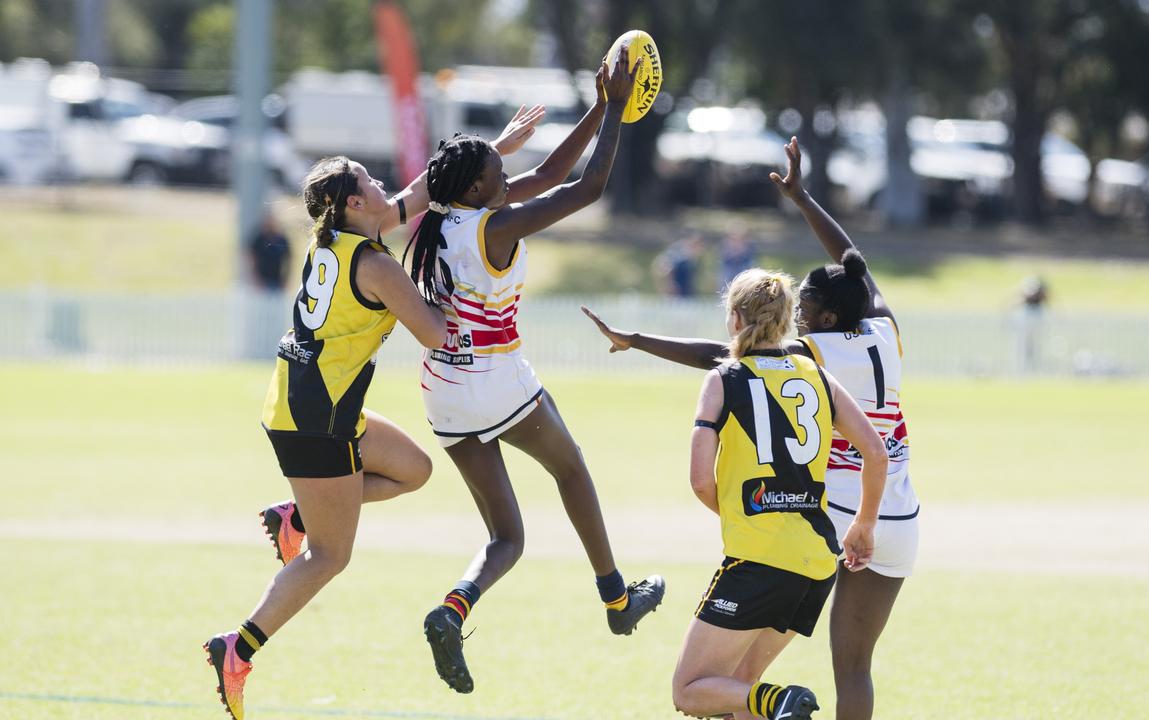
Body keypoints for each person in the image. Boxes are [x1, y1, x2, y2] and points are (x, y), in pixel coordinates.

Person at [204, 109, 544, 720]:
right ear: (355, 201)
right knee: (331, 557)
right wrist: (456, 290)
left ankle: (297, 516)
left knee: (414, 469)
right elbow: (438, 334)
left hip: (310, 403)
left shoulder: (334, 238)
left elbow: (423, 192)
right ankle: (239, 646)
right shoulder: (379, 264)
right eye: (370, 178)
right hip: (317, 419)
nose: (384, 183)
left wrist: (496, 148)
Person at [582, 137, 918, 720]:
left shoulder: (812, 353)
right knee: (853, 669)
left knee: (722, 682)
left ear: (826, 320)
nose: (799, 321)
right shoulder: (884, 331)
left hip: (829, 511)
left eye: (806, 313)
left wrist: (637, 341)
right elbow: (855, 264)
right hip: (900, 515)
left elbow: (725, 356)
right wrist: (803, 197)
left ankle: (771, 702)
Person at [402, 45, 664, 695]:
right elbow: (588, 187)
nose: (506, 166)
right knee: (570, 468)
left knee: (506, 537)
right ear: (478, 187)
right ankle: (614, 599)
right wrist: (619, 120)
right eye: (497, 165)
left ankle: (452, 607)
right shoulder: (498, 226)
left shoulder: (449, 214)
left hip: (444, 389)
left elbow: (548, 171)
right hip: (495, 378)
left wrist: (602, 105)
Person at [669, 268, 889, 720]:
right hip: (815, 560)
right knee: (734, 694)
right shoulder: (817, 377)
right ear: (788, 319)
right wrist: (864, 524)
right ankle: (771, 702)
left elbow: (700, 480)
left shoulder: (723, 378)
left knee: (691, 691)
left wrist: (741, 516)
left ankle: (780, 699)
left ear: (734, 319)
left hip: (759, 560)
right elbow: (875, 450)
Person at [248, 213, 290, 291]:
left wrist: (286, 279)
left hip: (278, 281)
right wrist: (256, 279)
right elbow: (252, 259)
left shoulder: (281, 239)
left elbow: (288, 260)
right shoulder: (259, 239)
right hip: (262, 282)